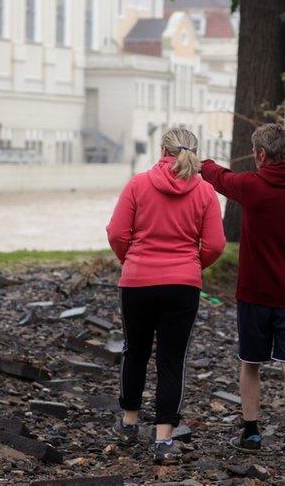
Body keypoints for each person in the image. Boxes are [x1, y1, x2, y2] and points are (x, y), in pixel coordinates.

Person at [201, 123, 285, 463]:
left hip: (254, 293)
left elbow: (222, 179)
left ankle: (251, 432)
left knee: (251, 363)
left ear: (261, 154)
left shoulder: (253, 186)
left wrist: (201, 164)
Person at [106, 128, 226, 465]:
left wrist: (129, 260)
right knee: (172, 360)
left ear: (162, 150)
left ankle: (129, 423)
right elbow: (216, 244)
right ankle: (163, 440)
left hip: (137, 281)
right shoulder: (205, 192)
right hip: (182, 285)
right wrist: (191, 266)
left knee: (135, 350)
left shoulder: (138, 184)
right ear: (194, 152)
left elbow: (117, 233)